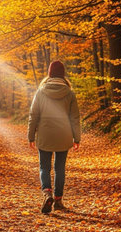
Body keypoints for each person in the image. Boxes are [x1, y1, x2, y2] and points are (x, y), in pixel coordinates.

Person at [28, 60, 81, 214]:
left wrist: (31, 136)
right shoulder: (69, 93)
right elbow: (75, 118)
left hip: (45, 135)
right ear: (63, 74)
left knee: (44, 167)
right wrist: (76, 138)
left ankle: (47, 193)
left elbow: (33, 115)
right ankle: (58, 201)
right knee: (60, 169)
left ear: (49, 73)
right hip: (64, 135)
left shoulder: (41, 91)